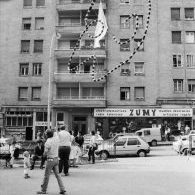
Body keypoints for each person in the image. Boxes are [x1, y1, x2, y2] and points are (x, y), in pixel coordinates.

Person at [37, 129, 66, 195]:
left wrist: (43, 154)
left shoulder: (48, 142)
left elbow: (45, 152)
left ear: (47, 135)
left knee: (46, 176)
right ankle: (62, 189)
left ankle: (43, 190)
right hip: (56, 159)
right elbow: (55, 133)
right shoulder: (56, 138)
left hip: (50, 160)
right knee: (58, 175)